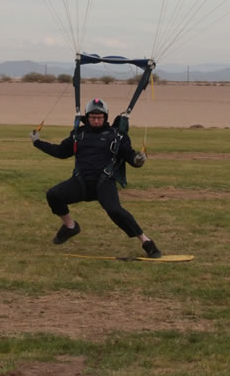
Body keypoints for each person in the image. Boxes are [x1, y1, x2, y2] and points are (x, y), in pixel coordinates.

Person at [31, 98, 162, 258]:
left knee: (115, 211)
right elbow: (61, 152)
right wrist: (38, 143)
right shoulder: (78, 134)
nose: (96, 120)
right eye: (93, 117)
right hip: (81, 182)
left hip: (104, 183)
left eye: (100, 117)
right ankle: (70, 226)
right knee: (54, 195)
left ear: (105, 117)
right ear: (87, 118)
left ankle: (146, 242)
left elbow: (129, 156)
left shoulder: (117, 136)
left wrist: (137, 160)